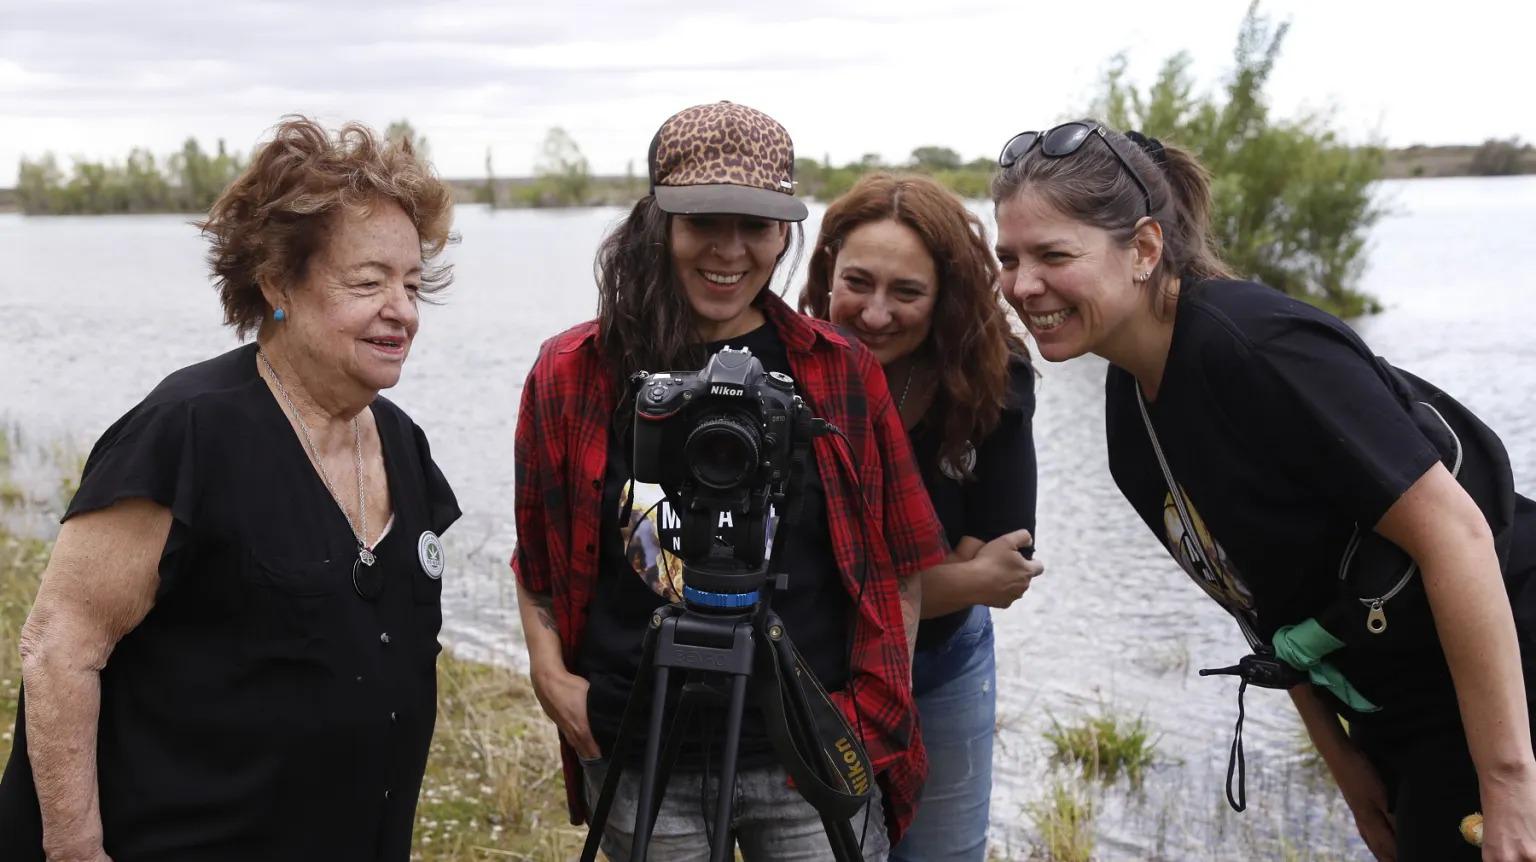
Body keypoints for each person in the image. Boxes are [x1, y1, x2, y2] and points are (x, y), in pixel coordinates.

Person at [990, 119, 1536, 862]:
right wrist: (1347, 767)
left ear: (1145, 249)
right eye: (1009, 257)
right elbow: (1261, 609)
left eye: (1054, 255)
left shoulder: (1256, 347)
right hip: (1396, 705)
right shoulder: (1132, 417)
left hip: (1506, 673)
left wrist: (1507, 785)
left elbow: (1457, 533)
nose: (1023, 286)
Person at [0, 117, 461, 862]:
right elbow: (59, 649)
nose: (402, 309)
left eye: (411, 284)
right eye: (368, 282)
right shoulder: (184, 434)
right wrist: (77, 850)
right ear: (278, 283)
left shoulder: (403, 444)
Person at [511, 102, 946, 861]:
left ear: (784, 235)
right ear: (659, 224)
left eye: (756, 225)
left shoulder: (839, 369)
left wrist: (864, 715)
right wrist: (552, 679)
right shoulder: (573, 373)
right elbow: (538, 563)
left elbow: (899, 568)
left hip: (804, 752)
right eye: (705, 220)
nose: (730, 249)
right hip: (638, 748)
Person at [799, 173, 1042, 861]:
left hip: (945, 665)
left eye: (906, 292)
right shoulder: (789, 372)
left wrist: (854, 580)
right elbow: (803, 580)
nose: (876, 313)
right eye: (858, 283)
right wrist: (952, 577)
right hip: (815, 675)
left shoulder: (994, 376)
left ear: (947, 298)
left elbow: (1005, 566)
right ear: (827, 272)